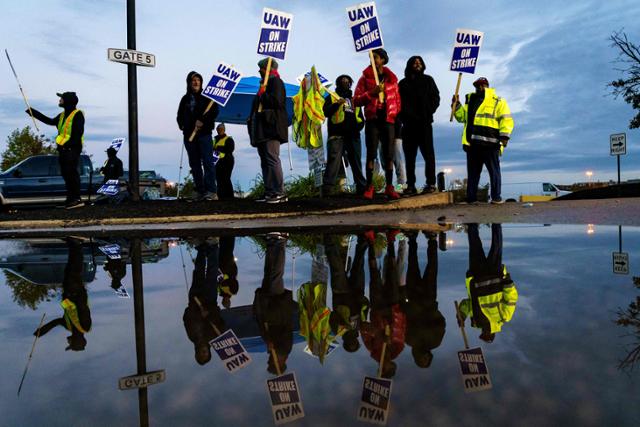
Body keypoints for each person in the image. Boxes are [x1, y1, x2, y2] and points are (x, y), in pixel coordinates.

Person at [452, 77, 514, 204]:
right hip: (473, 143)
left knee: (494, 172)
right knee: (473, 174)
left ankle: (496, 198)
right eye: (477, 86)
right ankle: (471, 199)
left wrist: (504, 136)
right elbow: (463, 118)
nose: (479, 88)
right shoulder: (471, 101)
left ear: (487, 86)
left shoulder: (498, 101)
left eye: (482, 85)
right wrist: (457, 106)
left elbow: (506, 119)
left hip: (491, 143)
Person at [354, 48, 402, 200]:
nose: (372, 60)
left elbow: (398, 102)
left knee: (389, 155)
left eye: (375, 57)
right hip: (373, 120)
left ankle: (389, 186)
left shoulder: (392, 80)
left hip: (388, 121)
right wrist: (371, 94)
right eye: (370, 57)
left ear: (383, 59)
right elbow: (356, 100)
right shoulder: (364, 79)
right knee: (371, 154)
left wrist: (394, 114)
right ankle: (369, 187)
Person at [457, 224, 518, 343]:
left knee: (474, 246)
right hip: (494, 275)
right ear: (492, 334)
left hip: (477, 277)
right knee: (496, 246)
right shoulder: (503, 318)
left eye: (483, 335)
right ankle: (496, 222)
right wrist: (507, 282)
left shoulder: (476, 321)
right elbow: (511, 298)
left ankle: (472, 224)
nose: (484, 333)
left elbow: (468, 303)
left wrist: (462, 315)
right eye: (486, 335)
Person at [360, 230, 406, 378]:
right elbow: (403, 327)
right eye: (390, 365)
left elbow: (363, 328)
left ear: (381, 368)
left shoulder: (373, 350)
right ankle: (391, 239)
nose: (387, 363)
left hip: (378, 308)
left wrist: (377, 333)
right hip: (393, 306)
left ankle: (371, 241)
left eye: (384, 367)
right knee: (392, 272)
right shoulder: (397, 349)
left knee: (374, 273)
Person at [29, 92, 85, 209]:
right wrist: (33, 112)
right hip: (64, 150)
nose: (60, 100)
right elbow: (49, 121)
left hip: (72, 149)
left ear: (68, 101)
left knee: (71, 174)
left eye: (62, 98)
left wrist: (67, 146)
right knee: (66, 174)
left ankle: (76, 199)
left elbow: (77, 134)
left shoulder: (78, 114)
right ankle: (70, 200)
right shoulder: (62, 115)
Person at [34, 238, 91, 351]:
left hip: (68, 292)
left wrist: (40, 332)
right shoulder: (85, 327)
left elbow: (56, 322)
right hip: (76, 292)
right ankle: (77, 245)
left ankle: (73, 245)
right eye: (70, 343)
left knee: (70, 268)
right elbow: (83, 308)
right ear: (76, 341)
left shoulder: (69, 327)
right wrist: (76, 293)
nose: (67, 341)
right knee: (74, 269)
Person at [402, 232, 445, 368]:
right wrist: (432, 312)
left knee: (413, 265)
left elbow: (404, 321)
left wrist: (405, 304)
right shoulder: (435, 342)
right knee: (432, 267)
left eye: (421, 360)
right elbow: (441, 323)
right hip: (428, 299)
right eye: (426, 360)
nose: (424, 357)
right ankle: (432, 240)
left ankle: (412, 239)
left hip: (414, 298)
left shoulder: (409, 340)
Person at [248, 58, 288, 204]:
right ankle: (270, 192)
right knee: (265, 161)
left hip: (271, 127)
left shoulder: (276, 82)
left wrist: (263, 94)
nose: (259, 71)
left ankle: (279, 192)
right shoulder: (264, 85)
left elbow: (277, 102)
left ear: (268, 70)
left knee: (272, 159)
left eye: (262, 69)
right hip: (262, 129)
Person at [399, 56, 441, 195]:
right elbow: (398, 103)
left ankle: (430, 184)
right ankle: (410, 185)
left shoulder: (428, 80)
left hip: (424, 123)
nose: (417, 64)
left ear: (423, 65)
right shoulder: (403, 83)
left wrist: (428, 110)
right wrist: (403, 117)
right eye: (415, 62)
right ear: (409, 65)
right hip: (408, 125)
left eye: (420, 62)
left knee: (429, 155)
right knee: (409, 157)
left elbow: (436, 97)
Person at [253, 233, 293, 374]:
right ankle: (281, 242)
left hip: (267, 303)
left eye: (269, 362)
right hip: (277, 303)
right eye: (272, 363)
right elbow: (285, 333)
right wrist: (274, 346)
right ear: (281, 362)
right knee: (275, 274)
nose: (270, 360)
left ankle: (271, 244)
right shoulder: (284, 349)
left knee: (269, 272)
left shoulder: (269, 346)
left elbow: (261, 324)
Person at [177, 71, 219, 201]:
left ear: (201, 83)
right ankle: (200, 190)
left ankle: (211, 191)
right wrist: (183, 125)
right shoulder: (185, 99)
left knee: (208, 162)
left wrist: (203, 121)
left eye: (198, 80)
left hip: (204, 135)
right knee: (194, 164)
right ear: (189, 83)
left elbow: (214, 112)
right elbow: (179, 116)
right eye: (193, 80)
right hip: (189, 136)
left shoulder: (208, 98)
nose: (195, 82)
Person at [322, 75, 366, 196]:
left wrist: (357, 128)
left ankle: (361, 188)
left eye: (347, 81)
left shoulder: (354, 99)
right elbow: (326, 112)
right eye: (342, 81)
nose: (345, 83)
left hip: (353, 135)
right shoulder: (331, 97)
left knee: (356, 162)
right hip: (336, 135)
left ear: (351, 84)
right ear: (337, 83)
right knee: (333, 162)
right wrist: (337, 104)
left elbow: (361, 118)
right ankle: (327, 190)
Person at [183, 237, 225, 365]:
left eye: (200, 354)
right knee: (212, 274)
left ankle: (201, 249)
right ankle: (213, 248)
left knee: (198, 272)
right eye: (205, 354)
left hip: (195, 299)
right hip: (210, 300)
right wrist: (209, 315)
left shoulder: (192, 337)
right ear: (208, 352)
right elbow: (220, 321)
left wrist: (194, 311)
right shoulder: (214, 337)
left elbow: (186, 318)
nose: (202, 352)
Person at [213, 123, 235, 200]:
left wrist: (218, 150)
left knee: (226, 178)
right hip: (217, 161)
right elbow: (212, 150)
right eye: (218, 129)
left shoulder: (229, 139)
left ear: (224, 130)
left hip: (227, 161)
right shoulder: (214, 139)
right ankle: (221, 196)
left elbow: (229, 150)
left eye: (221, 129)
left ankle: (229, 196)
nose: (219, 130)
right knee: (218, 179)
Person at [218, 236, 239, 309]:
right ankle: (230, 236)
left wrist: (221, 281)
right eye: (227, 302)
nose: (225, 300)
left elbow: (218, 282)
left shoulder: (220, 292)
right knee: (229, 251)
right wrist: (225, 281)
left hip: (221, 268)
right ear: (229, 301)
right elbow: (235, 282)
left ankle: (223, 237)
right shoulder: (233, 292)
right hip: (230, 269)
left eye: (224, 302)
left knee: (221, 250)